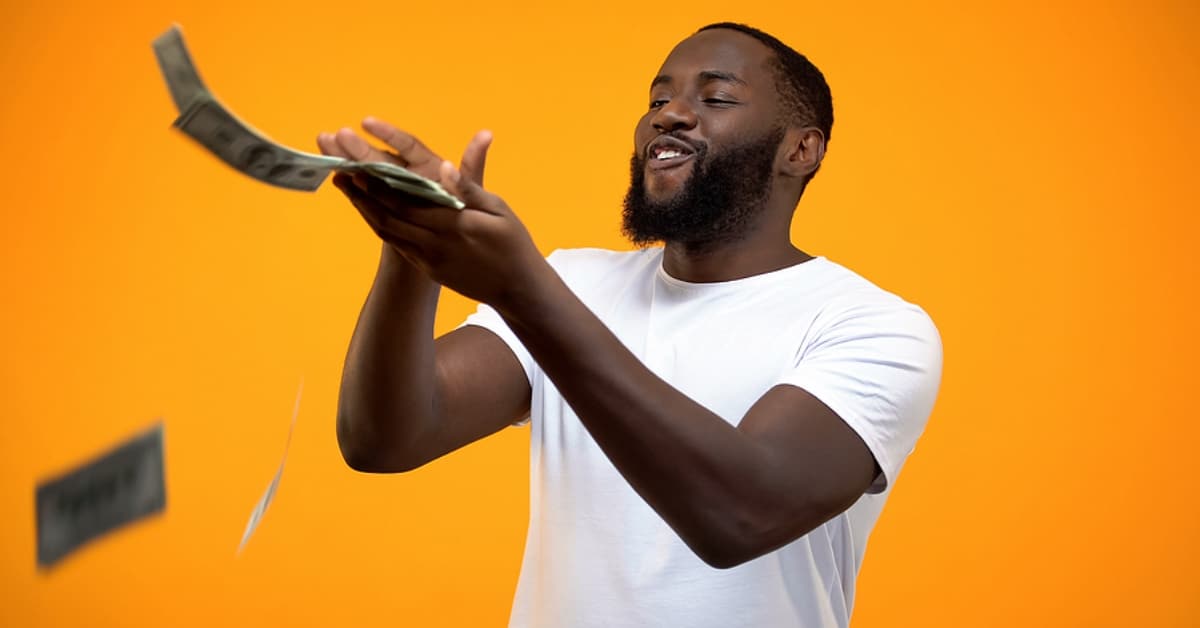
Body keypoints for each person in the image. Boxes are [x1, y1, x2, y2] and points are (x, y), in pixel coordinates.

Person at [316, 22, 942, 628]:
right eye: (658, 98)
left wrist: (524, 291)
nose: (668, 114)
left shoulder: (874, 328)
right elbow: (385, 439)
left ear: (800, 150)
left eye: (716, 96)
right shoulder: (575, 283)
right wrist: (411, 249)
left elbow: (739, 516)